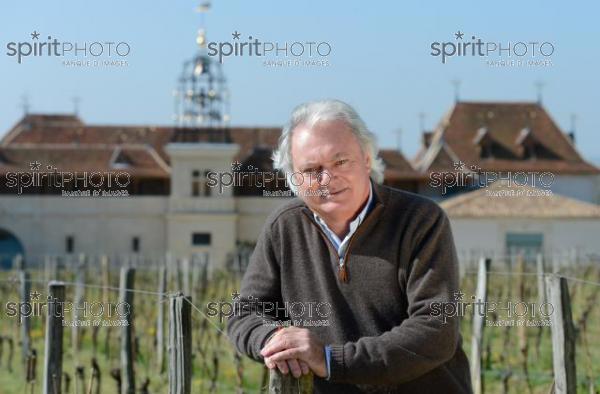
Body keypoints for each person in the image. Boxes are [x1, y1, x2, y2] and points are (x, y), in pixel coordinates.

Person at [227, 99, 472, 393]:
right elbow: (245, 313)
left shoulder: (421, 221)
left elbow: (436, 329)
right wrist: (272, 340)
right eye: (311, 169)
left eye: (340, 162)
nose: (327, 178)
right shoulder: (284, 228)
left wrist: (331, 360)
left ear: (367, 159)